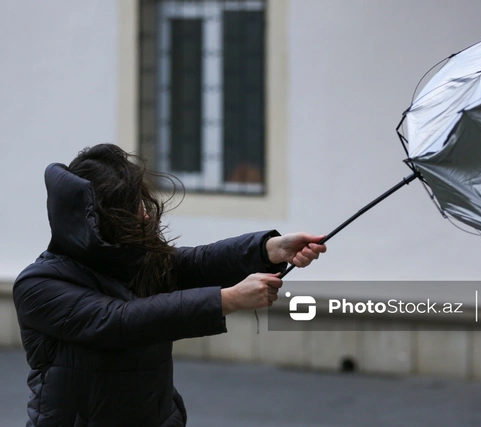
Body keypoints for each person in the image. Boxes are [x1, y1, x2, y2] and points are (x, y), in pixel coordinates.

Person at [12, 144, 326, 427]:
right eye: (132, 206)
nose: (146, 214)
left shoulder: (132, 261)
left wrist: (268, 249)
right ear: (100, 218)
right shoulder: (40, 284)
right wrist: (227, 300)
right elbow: (118, 321)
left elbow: (197, 262)